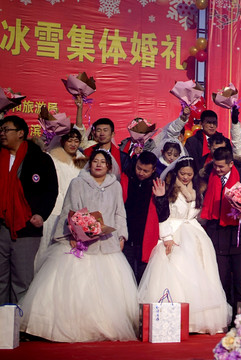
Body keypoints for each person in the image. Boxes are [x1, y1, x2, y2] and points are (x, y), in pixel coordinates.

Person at [20, 150, 138, 342]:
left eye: (103, 162)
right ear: (89, 164)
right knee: (77, 286)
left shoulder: (115, 186)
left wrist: (122, 235)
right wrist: (74, 233)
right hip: (80, 242)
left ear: (109, 166)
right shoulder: (78, 183)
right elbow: (69, 209)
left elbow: (119, 212)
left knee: (108, 290)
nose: (98, 165)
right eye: (95, 161)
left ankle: (102, 326)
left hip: (107, 243)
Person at [138, 157, 232, 334]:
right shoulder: (168, 188)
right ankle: (175, 319)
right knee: (176, 273)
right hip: (173, 232)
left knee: (201, 274)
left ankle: (199, 321)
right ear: (176, 172)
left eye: (189, 174)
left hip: (195, 234)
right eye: (182, 174)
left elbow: (199, 214)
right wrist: (166, 236)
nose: (186, 177)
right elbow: (162, 213)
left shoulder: (198, 189)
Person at [0, 116, 58, 303]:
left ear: (20, 133)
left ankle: (18, 324)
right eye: (1, 130)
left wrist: (41, 213)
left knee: (21, 279)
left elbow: (51, 190)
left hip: (26, 226)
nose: (2, 133)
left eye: (6, 130)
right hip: (1, 226)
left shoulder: (40, 159)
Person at [201, 147, 241, 312]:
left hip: (239, 236)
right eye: (215, 166)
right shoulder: (206, 177)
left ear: (231, 164)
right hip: (218, 236)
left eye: (221, 167)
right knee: (221, 280)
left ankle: (240, 318)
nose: (217, 170)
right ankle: (223, 315)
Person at [35, 128, 87, 272]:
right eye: (69, 140)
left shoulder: (81, 159)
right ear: (62, 141)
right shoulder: (52, 157)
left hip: (73, 209)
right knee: (46, 244)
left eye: (76, 141)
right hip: (54, 207)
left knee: (66, 247)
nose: (73, 144)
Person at [123, 151, 169, 283]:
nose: (141, 173)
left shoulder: (157, 184)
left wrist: (160, 197)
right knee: (126, 275)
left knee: (144, 277)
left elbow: (164, 215)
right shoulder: (126, 178)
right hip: (127, 235)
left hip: (146, 237)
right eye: (139, 168)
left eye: (146, 171)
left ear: (154, 169)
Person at [83, 118, 131, 182]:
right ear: (94, 133)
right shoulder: (87, 153)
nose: (102, 133)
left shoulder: (123, 158)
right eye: (99, 130)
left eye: (105, 130)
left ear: (112, 134)